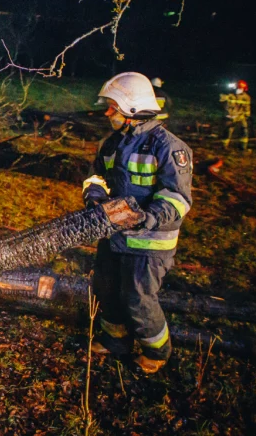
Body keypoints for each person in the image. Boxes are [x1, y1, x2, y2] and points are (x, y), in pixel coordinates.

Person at [83, 72, 193, 374]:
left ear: (131, 110)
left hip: (149, 243)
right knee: (106, 288)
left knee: (138, 298)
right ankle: (115, 341)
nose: (108, 113)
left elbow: (177, 199)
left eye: (112, 108)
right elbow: (97, 178)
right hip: (113, 237)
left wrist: (147, 218)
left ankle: (157, 351)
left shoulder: (168, 148)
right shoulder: (110, 144)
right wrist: (94, 195)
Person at [220, 80, 252, 151]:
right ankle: (224, 146)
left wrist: (247, 115)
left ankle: (243, 147)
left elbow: (247, 107)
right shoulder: (229, 95)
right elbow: (223, 103)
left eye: (240, 88)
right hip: (230, 117)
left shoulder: (246, 97)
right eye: (237, 88)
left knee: (244, 131)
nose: (238, 90)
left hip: (241, 117)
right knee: (228, 131)